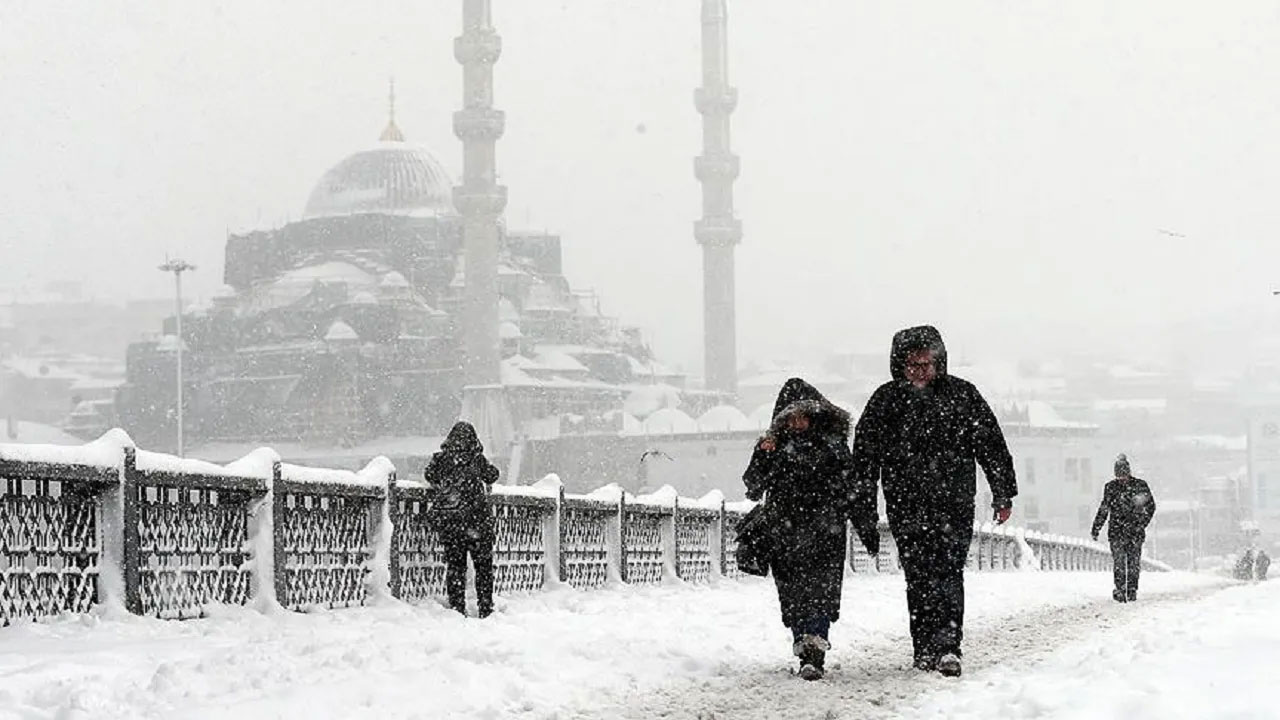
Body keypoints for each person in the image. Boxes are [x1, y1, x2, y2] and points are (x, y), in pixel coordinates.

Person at [850, 326, 1017, 677]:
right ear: (901, 365)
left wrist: (1003, 492)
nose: (920, 371)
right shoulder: (885, 402)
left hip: (953, 503)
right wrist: (863, 506)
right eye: (913, 365)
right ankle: (924, 647)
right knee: (918, 575)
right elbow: (864, 458)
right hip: (905, 504)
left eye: (927, 364)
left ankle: (948, 646)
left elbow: (991, 445)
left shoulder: (962, 396)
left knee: (948, 572)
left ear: (938, 362)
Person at [742, 378, 880, 681]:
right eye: (791, 417)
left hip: (825, 533)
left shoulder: (833, 447)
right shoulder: (774, 447)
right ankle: (803, 642)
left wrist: (866, 527)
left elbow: (853, 490)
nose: (798, 422)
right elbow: (753, 488)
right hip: (785, 534)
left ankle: (813, 650)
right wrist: (763, 454)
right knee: (792, 594)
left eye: (803, 415)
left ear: (816, 414)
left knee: (820, 592)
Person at [423, 421, 500, 617]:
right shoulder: (476, 459)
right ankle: (485, 608)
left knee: (455, 568)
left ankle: (457, 608)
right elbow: (492, 475)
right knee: (483, 568)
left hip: (452, 523)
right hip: (477, 522)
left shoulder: (442, 459)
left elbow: (429, 475)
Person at [1090, 454, 1156, 602]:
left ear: (1128, 472)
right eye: (1119, 475)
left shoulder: (1139, 486)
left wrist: (1141, 523)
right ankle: (1121, 589)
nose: (1122, 479)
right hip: (1118, 532)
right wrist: (1096, 527)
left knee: (1133, 562)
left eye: (1123, 475)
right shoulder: (1111, 487)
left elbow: (1151, 506)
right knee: (1120, 562)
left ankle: (1131, 589)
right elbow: (1104, 509)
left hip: (1132, 531)